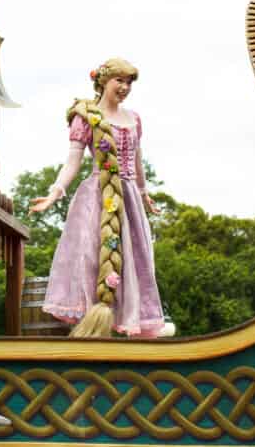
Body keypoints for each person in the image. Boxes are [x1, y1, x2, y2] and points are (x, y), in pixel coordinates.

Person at [29, 58, 164, 338]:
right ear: (104, 81)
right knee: (90, 258)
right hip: (98, 195)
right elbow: (73, 162)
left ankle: (128, 322)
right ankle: (95, 327)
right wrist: (54, 193)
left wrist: (144, 193)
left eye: (129, 82)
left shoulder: (134, 119)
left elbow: (137, 162)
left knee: (133, 259)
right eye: (120, 81)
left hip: (128, 200)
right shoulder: (86, 116)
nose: (125, 87)